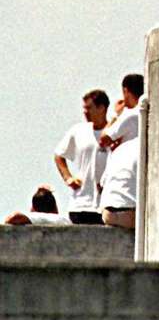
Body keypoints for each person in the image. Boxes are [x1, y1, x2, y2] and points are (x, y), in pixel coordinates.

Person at [52, 89, 110, 225]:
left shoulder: (115, 131)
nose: (85, 112)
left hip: (105, 204)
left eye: (89, 108)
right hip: (80, 203)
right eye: (84, 108)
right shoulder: (78, 131)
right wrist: (68, 177)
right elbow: (59, 154)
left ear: (101, 108)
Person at [99, 135, 139, 230]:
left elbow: (102, 183)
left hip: (108, 213)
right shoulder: (148, 147)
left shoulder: (120, 149)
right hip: (129, 213)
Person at [100, 73, 143, 152]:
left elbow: (103, 140)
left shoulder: (129, 115)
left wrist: (116, 115)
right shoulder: (145, 112)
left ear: (125, 90)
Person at [3, 186, 72, 226]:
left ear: (33, 208)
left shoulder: (41, 218)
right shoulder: (65, 220)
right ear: (55, 207)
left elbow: (15, 217)